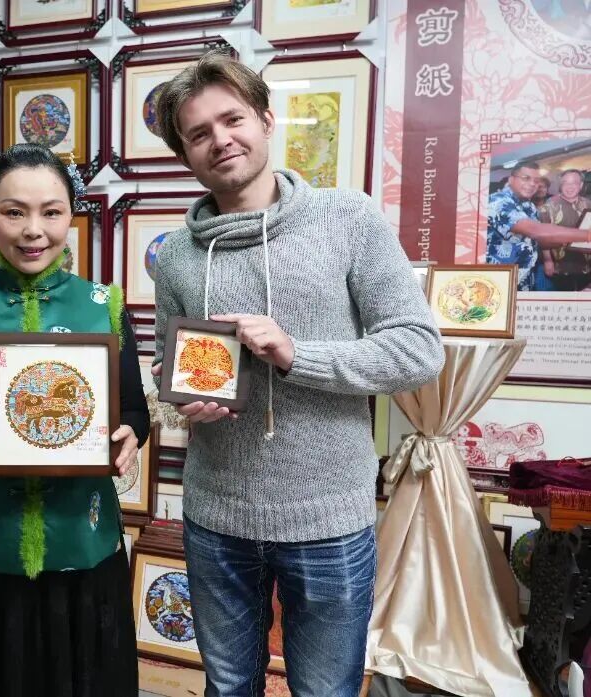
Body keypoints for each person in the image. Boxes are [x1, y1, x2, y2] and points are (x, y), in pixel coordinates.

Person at [150, 50, 445, 696]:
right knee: (229, 685)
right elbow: (166, 368)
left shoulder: (349, 219)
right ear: (185, 154)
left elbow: (419, 350)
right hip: (215, 516)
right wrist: (181, 400)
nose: (220, 140)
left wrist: (295, 354)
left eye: (232, 119)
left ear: (265, 119)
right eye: (198, 133)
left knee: (325, 689)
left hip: (329, 520)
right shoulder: (175, 257)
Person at [0, 143, 149, 697]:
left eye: (51, 212)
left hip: (80, 540)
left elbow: (134, 410)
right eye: (14, 211)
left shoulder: (105, 306)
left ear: (72, 216)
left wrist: (128, 437)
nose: (32, 230)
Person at [486, 160, 591, 291]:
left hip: (524, 278)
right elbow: (537, 231)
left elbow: (539, 241)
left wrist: (569, 241)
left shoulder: (529, 206)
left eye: (536, 181)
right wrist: (586, 235)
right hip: (499, 280)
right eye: (526, 178)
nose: (532, 184)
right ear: (511, 179)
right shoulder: (498, 201)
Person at [538, 168, 591, 291]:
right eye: (565, 183)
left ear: (581, 185)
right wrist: (548, 261)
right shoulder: (548, 206)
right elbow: (543, 238)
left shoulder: (588, 204)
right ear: (560, 185)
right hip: (560, 265)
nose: (570, 187)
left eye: (574, 183)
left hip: (586, 264)